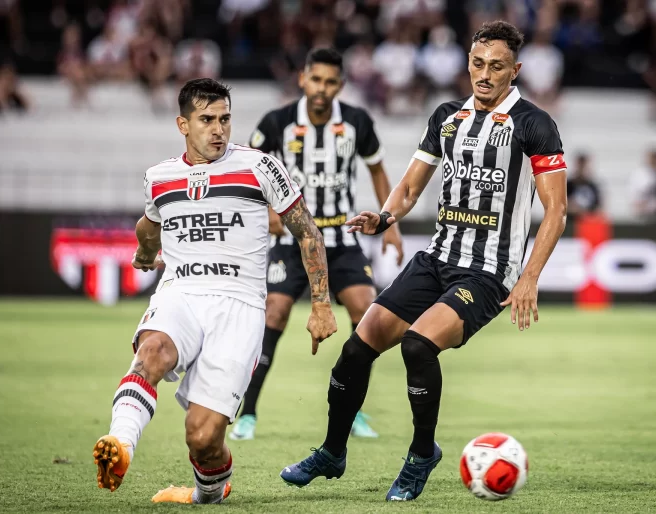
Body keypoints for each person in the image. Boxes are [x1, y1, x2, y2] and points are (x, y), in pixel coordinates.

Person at [280, 21, 569, 502]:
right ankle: (332, 452)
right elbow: (411, 185)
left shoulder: (534, 124)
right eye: (477, 63)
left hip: (488, 271)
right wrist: (385, 215)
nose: (484, 74)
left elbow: (556, 210)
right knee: (357, 348)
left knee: (417, 346)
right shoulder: (447, 116)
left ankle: (420, 455)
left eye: (496, 66)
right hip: (435, 258)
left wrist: (529, 278)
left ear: (514, 71)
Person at [92, 78, 337, 505]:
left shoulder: (259, 166)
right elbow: (149, 224)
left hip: (239, 306)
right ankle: (121, 445)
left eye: (224, 119)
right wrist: (145, 253)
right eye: (206, 120)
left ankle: (209, 491)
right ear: (182, 124)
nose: (218, 129)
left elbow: (307, 231)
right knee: (151, 352)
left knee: (203, 437)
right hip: (181, 292)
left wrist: (320, 303)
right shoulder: (159, 176)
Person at [229, 47, 404, 441]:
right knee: (274, 312)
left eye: (330, 82)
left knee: (367, 310)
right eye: (316, 80)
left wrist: (389, 220)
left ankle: (352, 408)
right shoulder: (277, 123)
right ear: (303, 79)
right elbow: (247, 170)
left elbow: (377, 169)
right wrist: (268, 214)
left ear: (340, 85)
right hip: (293, 239)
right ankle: (248, 413)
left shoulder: (358, 121)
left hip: (341, 238)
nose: (322, 89)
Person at [566, 153, 602, 219]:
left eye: (584, 166)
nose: (582, 169)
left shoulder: (593, 187)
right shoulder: (567, 185)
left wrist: (583, 212)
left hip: (587, 224)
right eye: (580, 166)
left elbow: (598, 207)